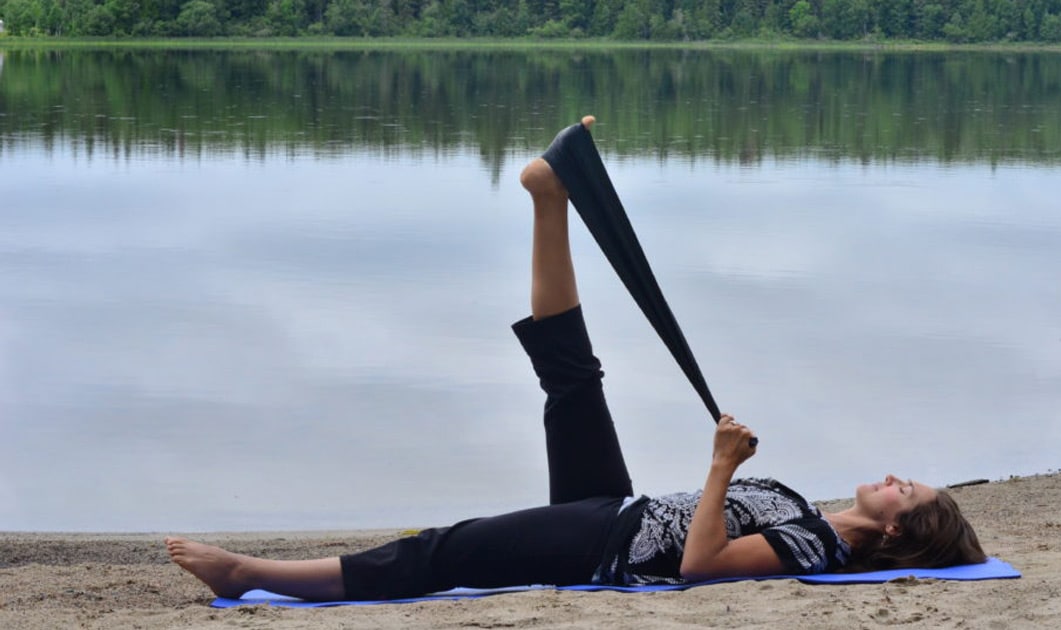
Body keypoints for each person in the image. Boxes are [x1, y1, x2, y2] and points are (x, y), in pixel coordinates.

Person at [165, 115, 986, 602]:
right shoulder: (811, 514)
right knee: (572, 378)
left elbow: (700, 570)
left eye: (904, 487)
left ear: (899, 525)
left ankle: (250, 573)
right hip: (612, 512)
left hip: (600, 547)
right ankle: (548, 194)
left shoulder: (821, 546)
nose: (892, 475)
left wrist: (720, 468)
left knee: (447, 551)